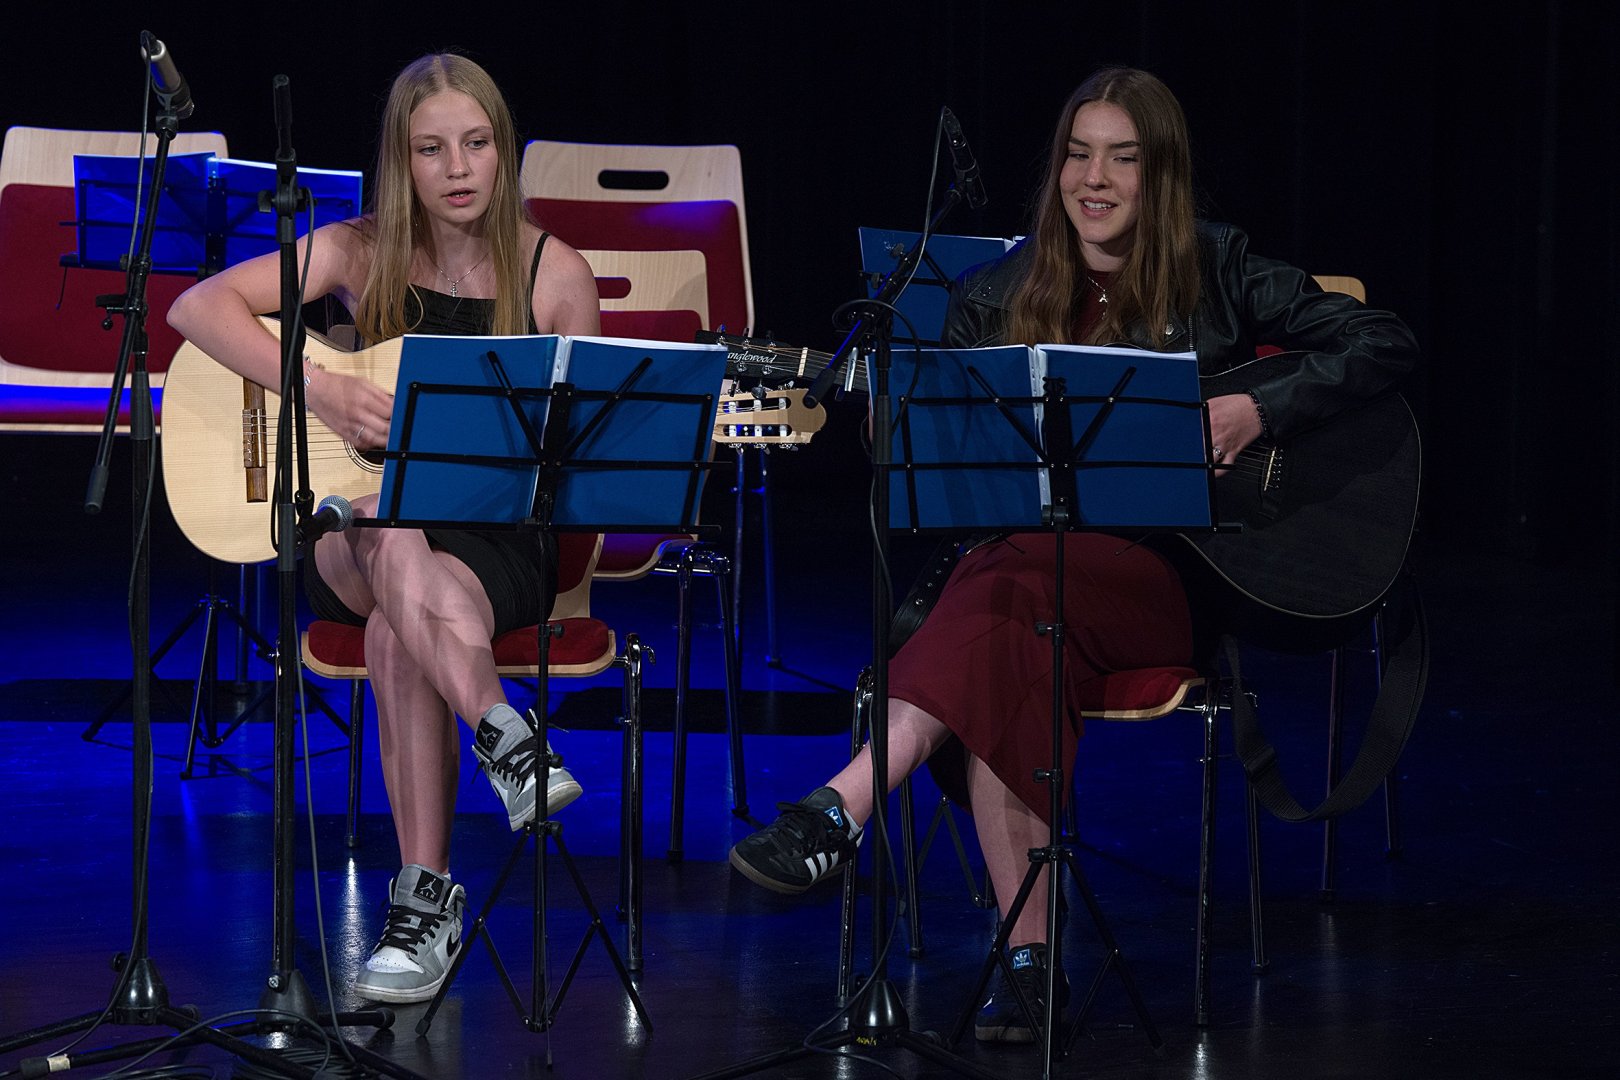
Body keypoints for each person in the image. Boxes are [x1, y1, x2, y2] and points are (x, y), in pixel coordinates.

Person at [728, 66, 1419, 1043]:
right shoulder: (993, 296)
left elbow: (1384, 340)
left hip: (1168, 578)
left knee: (1003, 595)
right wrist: (899, 431)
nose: (1094, 180)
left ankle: (843, 807)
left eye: (1122, 159)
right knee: (1013, 622)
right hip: (1025, 581)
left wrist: (1257, 406)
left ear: (1159, 174)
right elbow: (951, 491)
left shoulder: (1217, 266)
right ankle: (1026, 970)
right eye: (1078, 155)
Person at [168, 53, 601, 1004]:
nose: (458, 168)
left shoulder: (553, 272)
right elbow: (195, 306)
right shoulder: (356, 250)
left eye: (477, 143)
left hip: (493, 541)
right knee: (381, 524)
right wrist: (318, 388)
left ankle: (424, 903)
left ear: (504, 150)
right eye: (431, 148)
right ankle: (505, 735)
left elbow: (572, 463)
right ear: (400, 161)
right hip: (347, 534)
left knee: (397, 608)